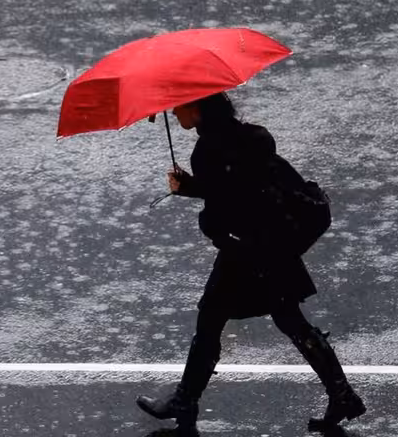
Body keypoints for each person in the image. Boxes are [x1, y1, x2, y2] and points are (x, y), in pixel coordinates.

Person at [136, 92, 366, 435]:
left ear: (196, 106)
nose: (174, 110)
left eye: (179, 104)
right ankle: (341, 394)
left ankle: (185, 401)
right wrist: (196, 187)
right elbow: (239, 186)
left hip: (248, 251)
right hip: (274, 241)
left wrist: (200, 209)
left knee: (212, 318)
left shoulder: (207, 150)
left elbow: (222, 209)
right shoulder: (248, 137)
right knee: (288, 318)